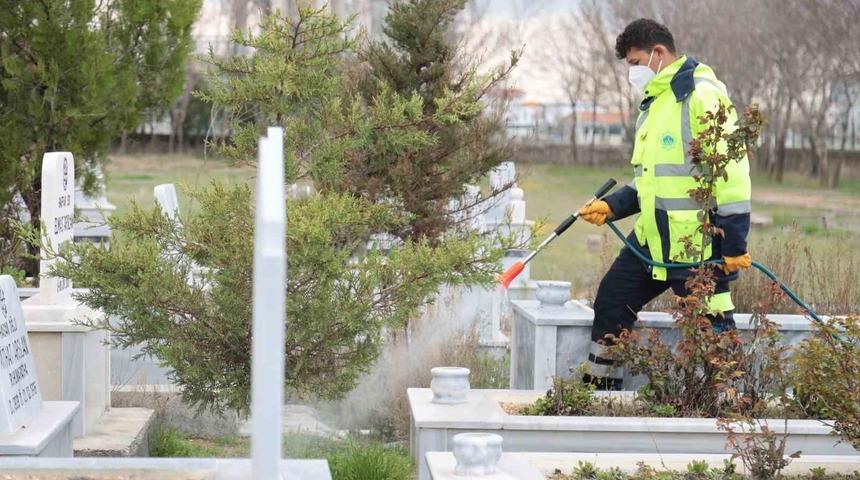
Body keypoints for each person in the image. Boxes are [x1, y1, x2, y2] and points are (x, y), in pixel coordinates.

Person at [577, 18, 752, 390]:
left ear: (658, 53)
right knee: (612, 302)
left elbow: (733, 175)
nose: (632, 72)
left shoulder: (701, 95)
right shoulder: (654, 103)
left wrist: (734, 245)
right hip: (651, 240)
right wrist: (612, 207)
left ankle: (735, 408)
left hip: (695, 245)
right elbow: (651, 182)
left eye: (635, 63)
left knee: (712, 329)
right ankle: (601, 396)